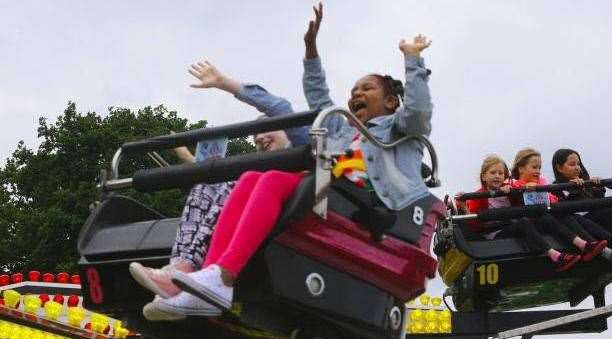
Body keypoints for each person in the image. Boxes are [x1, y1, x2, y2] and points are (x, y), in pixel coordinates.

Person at [144, 2, 434, 319]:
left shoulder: (399, 131)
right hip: (328, 189)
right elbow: (316, 95)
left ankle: (220, 276)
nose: (356, 94)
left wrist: (413, 58)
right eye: (353, 90)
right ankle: (212, 280)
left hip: (361, 203)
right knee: (252, 177)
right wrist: (310, 49)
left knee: (271, 178)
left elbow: (419, 110)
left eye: (367, 88)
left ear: (391, 101)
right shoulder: (341, 128)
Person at [129, 59, 307, 309]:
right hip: (253, 193)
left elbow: (282, 109)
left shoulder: (302, 147)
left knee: (234, 182)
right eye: (255, 137)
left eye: (268, 131)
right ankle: (183, 268)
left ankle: (204, 274)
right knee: (206, 184)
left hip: (293, 205)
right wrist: (187, 159)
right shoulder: (257, 171)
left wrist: (224, 82)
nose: (260, 139)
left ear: (287, 131)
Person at [457, 155, 581, 272]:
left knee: (544, 217)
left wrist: (513, 192)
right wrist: (464, 208)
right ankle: (555, 255)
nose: (497, 176)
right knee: (523, 222)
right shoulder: (478, 196)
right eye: (493, 173)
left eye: (500, 173)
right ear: (484, 176)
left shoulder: (509, 188)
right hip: (495, 234)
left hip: (514, 226)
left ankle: (579, 243)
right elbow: (474, 225)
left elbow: (521, 200)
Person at [552, 148, 612, 277]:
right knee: (608, 212)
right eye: (572, 164)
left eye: (578, 164)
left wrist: (596, 189)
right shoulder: (556, 188)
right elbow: (564, 211)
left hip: (600, 220)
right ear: (559, 168)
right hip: (583, 226)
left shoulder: (584, 183)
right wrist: (571, 188)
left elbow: (596, 203)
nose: (577, 168)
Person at [509, 148, 609, 264]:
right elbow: (514, 199)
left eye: (539, 168)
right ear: (521, 168)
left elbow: (554, 199)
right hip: (532, 225)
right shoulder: (514, 185)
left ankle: (585, 244)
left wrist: (540, 190)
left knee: (564, 215)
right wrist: (526, 189)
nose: (538, 171)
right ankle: (580, 247)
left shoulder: (541, 183)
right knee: (549, 217)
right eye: (534, 167)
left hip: (546, 221)